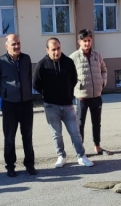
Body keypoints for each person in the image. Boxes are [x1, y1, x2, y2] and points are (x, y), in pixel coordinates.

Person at [33, 37, 94, 168]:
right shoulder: (42, 65)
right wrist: (46, 94)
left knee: (75, 132)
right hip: (51, 106)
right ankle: (61, 156)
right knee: (56, 134)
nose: (56, 52)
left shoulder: (68, 62)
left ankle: (81, 156)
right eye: (53, 49)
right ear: (47, 50)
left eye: (58, 48)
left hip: (67, 105)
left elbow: (74, 79)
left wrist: (67, 93)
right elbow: (35, 83)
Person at [0, 34, 36, 177]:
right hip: (10, 105)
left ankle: (29, 164)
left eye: (18, 43)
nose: (16, 46)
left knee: (27, 135)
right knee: (9, 137)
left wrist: (26, 93)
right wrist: (6, 95)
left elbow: (29, 77)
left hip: (26, 104)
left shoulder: (26, 59)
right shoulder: (0, 62)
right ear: (6, 46)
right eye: (13, 44)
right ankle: (10, 166)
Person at [70, 29, 112, 156]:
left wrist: (103, 82)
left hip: (96, 95)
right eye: (85, 41)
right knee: (80, 124)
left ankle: (97, 146)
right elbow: (69, 77)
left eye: (89, 40)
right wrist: (77, 88)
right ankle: (80, 150)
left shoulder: (97, 55)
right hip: (81, 97)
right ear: (79, 42)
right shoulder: (73, 57)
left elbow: (104, 70)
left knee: (96, 122)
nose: (87, 43)